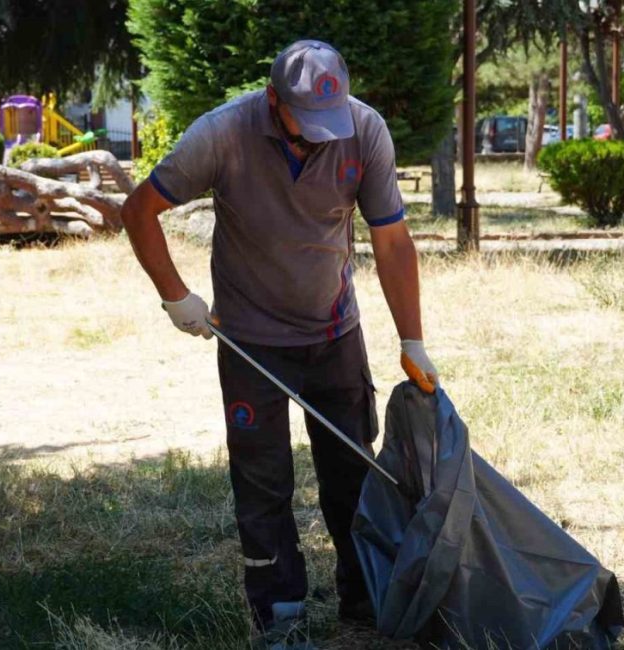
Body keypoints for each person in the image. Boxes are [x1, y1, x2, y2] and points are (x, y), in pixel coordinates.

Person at [119, 40, 438, 649]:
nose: (321, 135)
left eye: (330, 120)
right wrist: (174, 294)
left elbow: (393, 241)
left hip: (334, 332)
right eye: (305, 122)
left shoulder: (363, 129)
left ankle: (365, 599)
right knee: (263, 486)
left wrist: (412, 339)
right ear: (273, 100)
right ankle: (280, 618)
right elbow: (139, 210)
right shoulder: (223, 134)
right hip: (250, 343)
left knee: (354, 474)